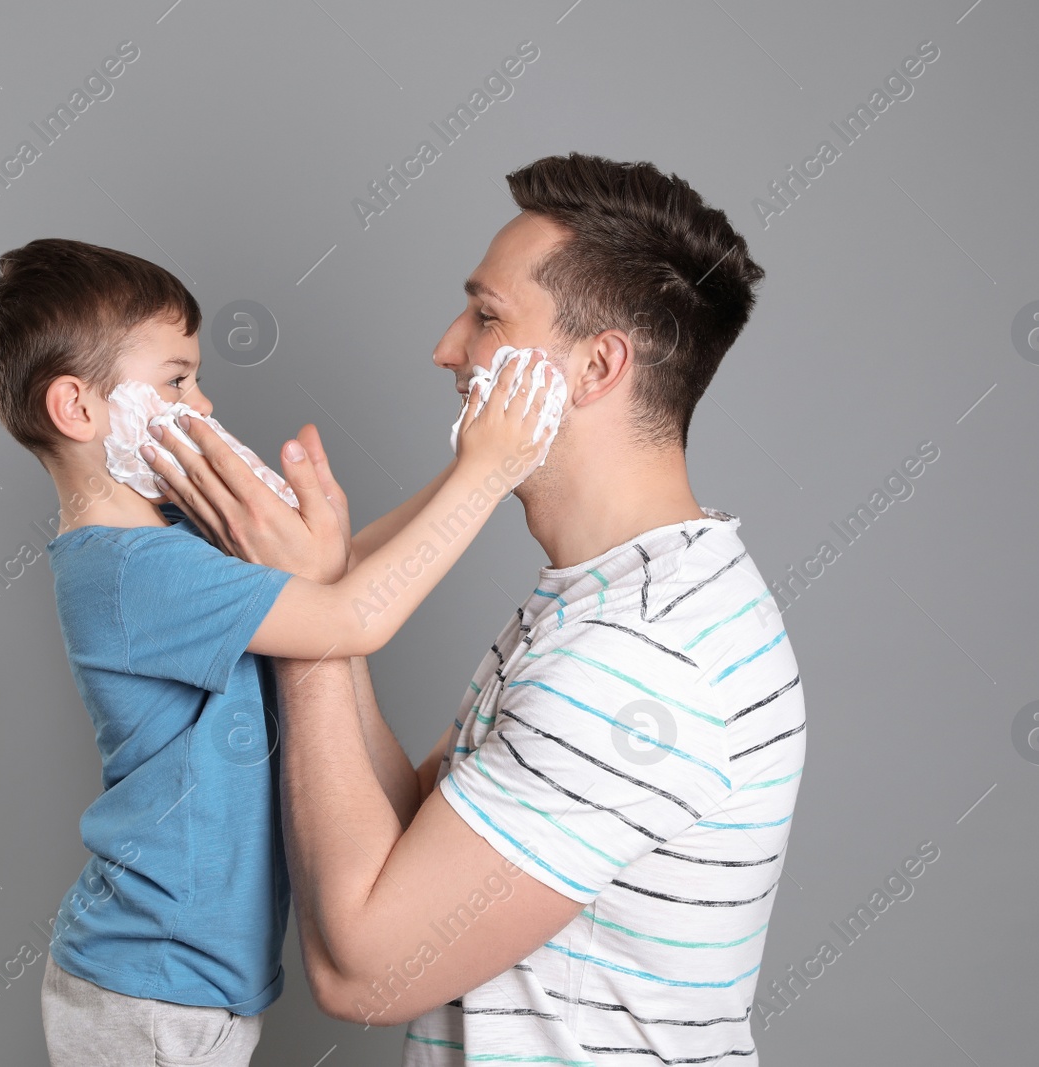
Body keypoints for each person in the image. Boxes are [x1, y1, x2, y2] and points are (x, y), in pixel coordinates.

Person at [148, 152, 806, 1065]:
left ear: (596, 364)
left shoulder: (639, 658)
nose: (447, 348)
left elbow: (364, 971)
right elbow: (416, 837)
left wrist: (303, 621)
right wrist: (326, 601)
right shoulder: (613, 594)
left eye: (487, 317)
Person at [0, 237, 554, 1066]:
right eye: (176, 379)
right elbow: (353, 617)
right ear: (78, 409)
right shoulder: (134, 571)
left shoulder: (170, 542)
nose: (201, 404)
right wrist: (486, 476)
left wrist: (465, 468)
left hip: (175, 979)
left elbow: (332, 582)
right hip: (151, 989)